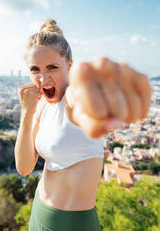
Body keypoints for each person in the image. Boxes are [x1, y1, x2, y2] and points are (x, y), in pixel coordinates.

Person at [14, 19, 151, 231]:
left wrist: (108, 87)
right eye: (35, 69)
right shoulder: (41, 106)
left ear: (70, 66)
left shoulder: (70, 99)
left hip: (72, 225)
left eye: (52, 67)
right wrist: (26, 112)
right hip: (39, 211)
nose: (42, 78)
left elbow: (82, 96)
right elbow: (24, 168)